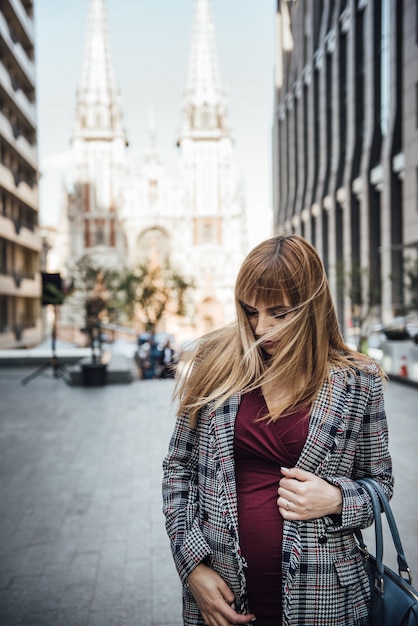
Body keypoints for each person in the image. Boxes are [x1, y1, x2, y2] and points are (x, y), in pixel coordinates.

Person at [162, 235, 393, 626]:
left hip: (327, 600)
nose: (260, 328)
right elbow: (178, 469)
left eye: (279, 313)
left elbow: (381, 484)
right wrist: (192, 567)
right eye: (250, 311)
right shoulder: (212, 363)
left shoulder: (359, 380)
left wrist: (336, 498)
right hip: (223, 598)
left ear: (312, 306)